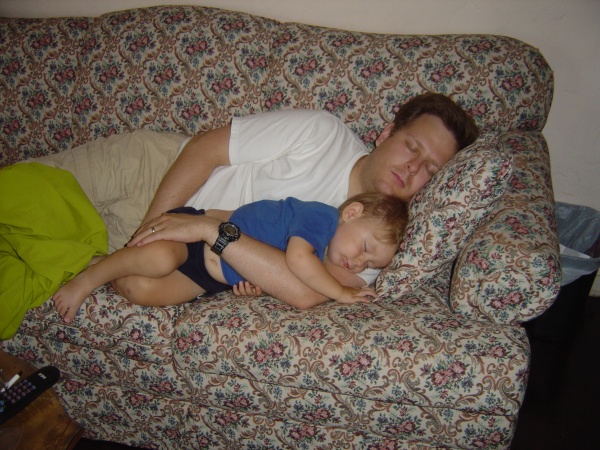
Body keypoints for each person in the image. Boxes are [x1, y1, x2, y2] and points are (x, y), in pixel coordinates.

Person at [123, 93, 478, 306]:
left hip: (197, 257)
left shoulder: (379, 241)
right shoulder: (321, 133)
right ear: (386, 134)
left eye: (430, 169)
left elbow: (304, 292)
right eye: (411, 147)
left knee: (132, 284)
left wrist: (208, 229)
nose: (413, 167)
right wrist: (150, 230)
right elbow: (206, 149)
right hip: (156, 175)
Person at [52, 193, 408, 323]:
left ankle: (103, 263)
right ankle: (87, 279)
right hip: (197, 240)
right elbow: (298, 260)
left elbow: (280, 274)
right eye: (365, 248)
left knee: (139, 289)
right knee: (158, 260)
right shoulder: (321, 218)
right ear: (352, 212)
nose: (359, 263)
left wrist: (256, 288)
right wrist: (341, 292)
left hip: (211, 278)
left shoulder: (327, 247)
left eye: (370, 265)